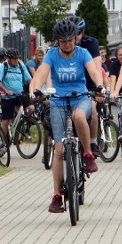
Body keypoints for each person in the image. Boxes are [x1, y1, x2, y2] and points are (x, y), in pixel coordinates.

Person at [29, 18, 105, 213]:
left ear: (75, 39)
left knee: (80, 117)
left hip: (81, 96)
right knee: (60, 149)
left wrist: (99, 87)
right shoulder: (52, 55)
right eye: (63, 41)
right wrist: (37, 90)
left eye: (70, 39)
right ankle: (56, 196)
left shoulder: (83, 53)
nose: (67, 44)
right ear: (57, 41)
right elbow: (40, 74)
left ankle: (88, 155)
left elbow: (94, 72)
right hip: (58, 100)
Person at [71, 16, 104, 158]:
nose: (74, 37)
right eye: (72, 33)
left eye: (78, 33)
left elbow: (97, 67)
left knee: (93, 110)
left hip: (89, 82)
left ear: (83, 31)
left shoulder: (90, 43)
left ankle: (92, 142)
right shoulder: (62, 44)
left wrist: (99, 87)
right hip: (71, 84)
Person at [0, 48, 32, 137]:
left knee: (31, 108)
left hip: (20, 94)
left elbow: (29, 79)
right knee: (5, 120)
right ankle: (3, 141)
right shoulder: (4, 66)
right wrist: (6, 91)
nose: (17, 60)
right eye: (14, 59)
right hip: (8, 97)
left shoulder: (21, 65)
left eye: (18, 58)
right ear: (8, 59)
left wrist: (33, 89)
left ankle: (22, 123)